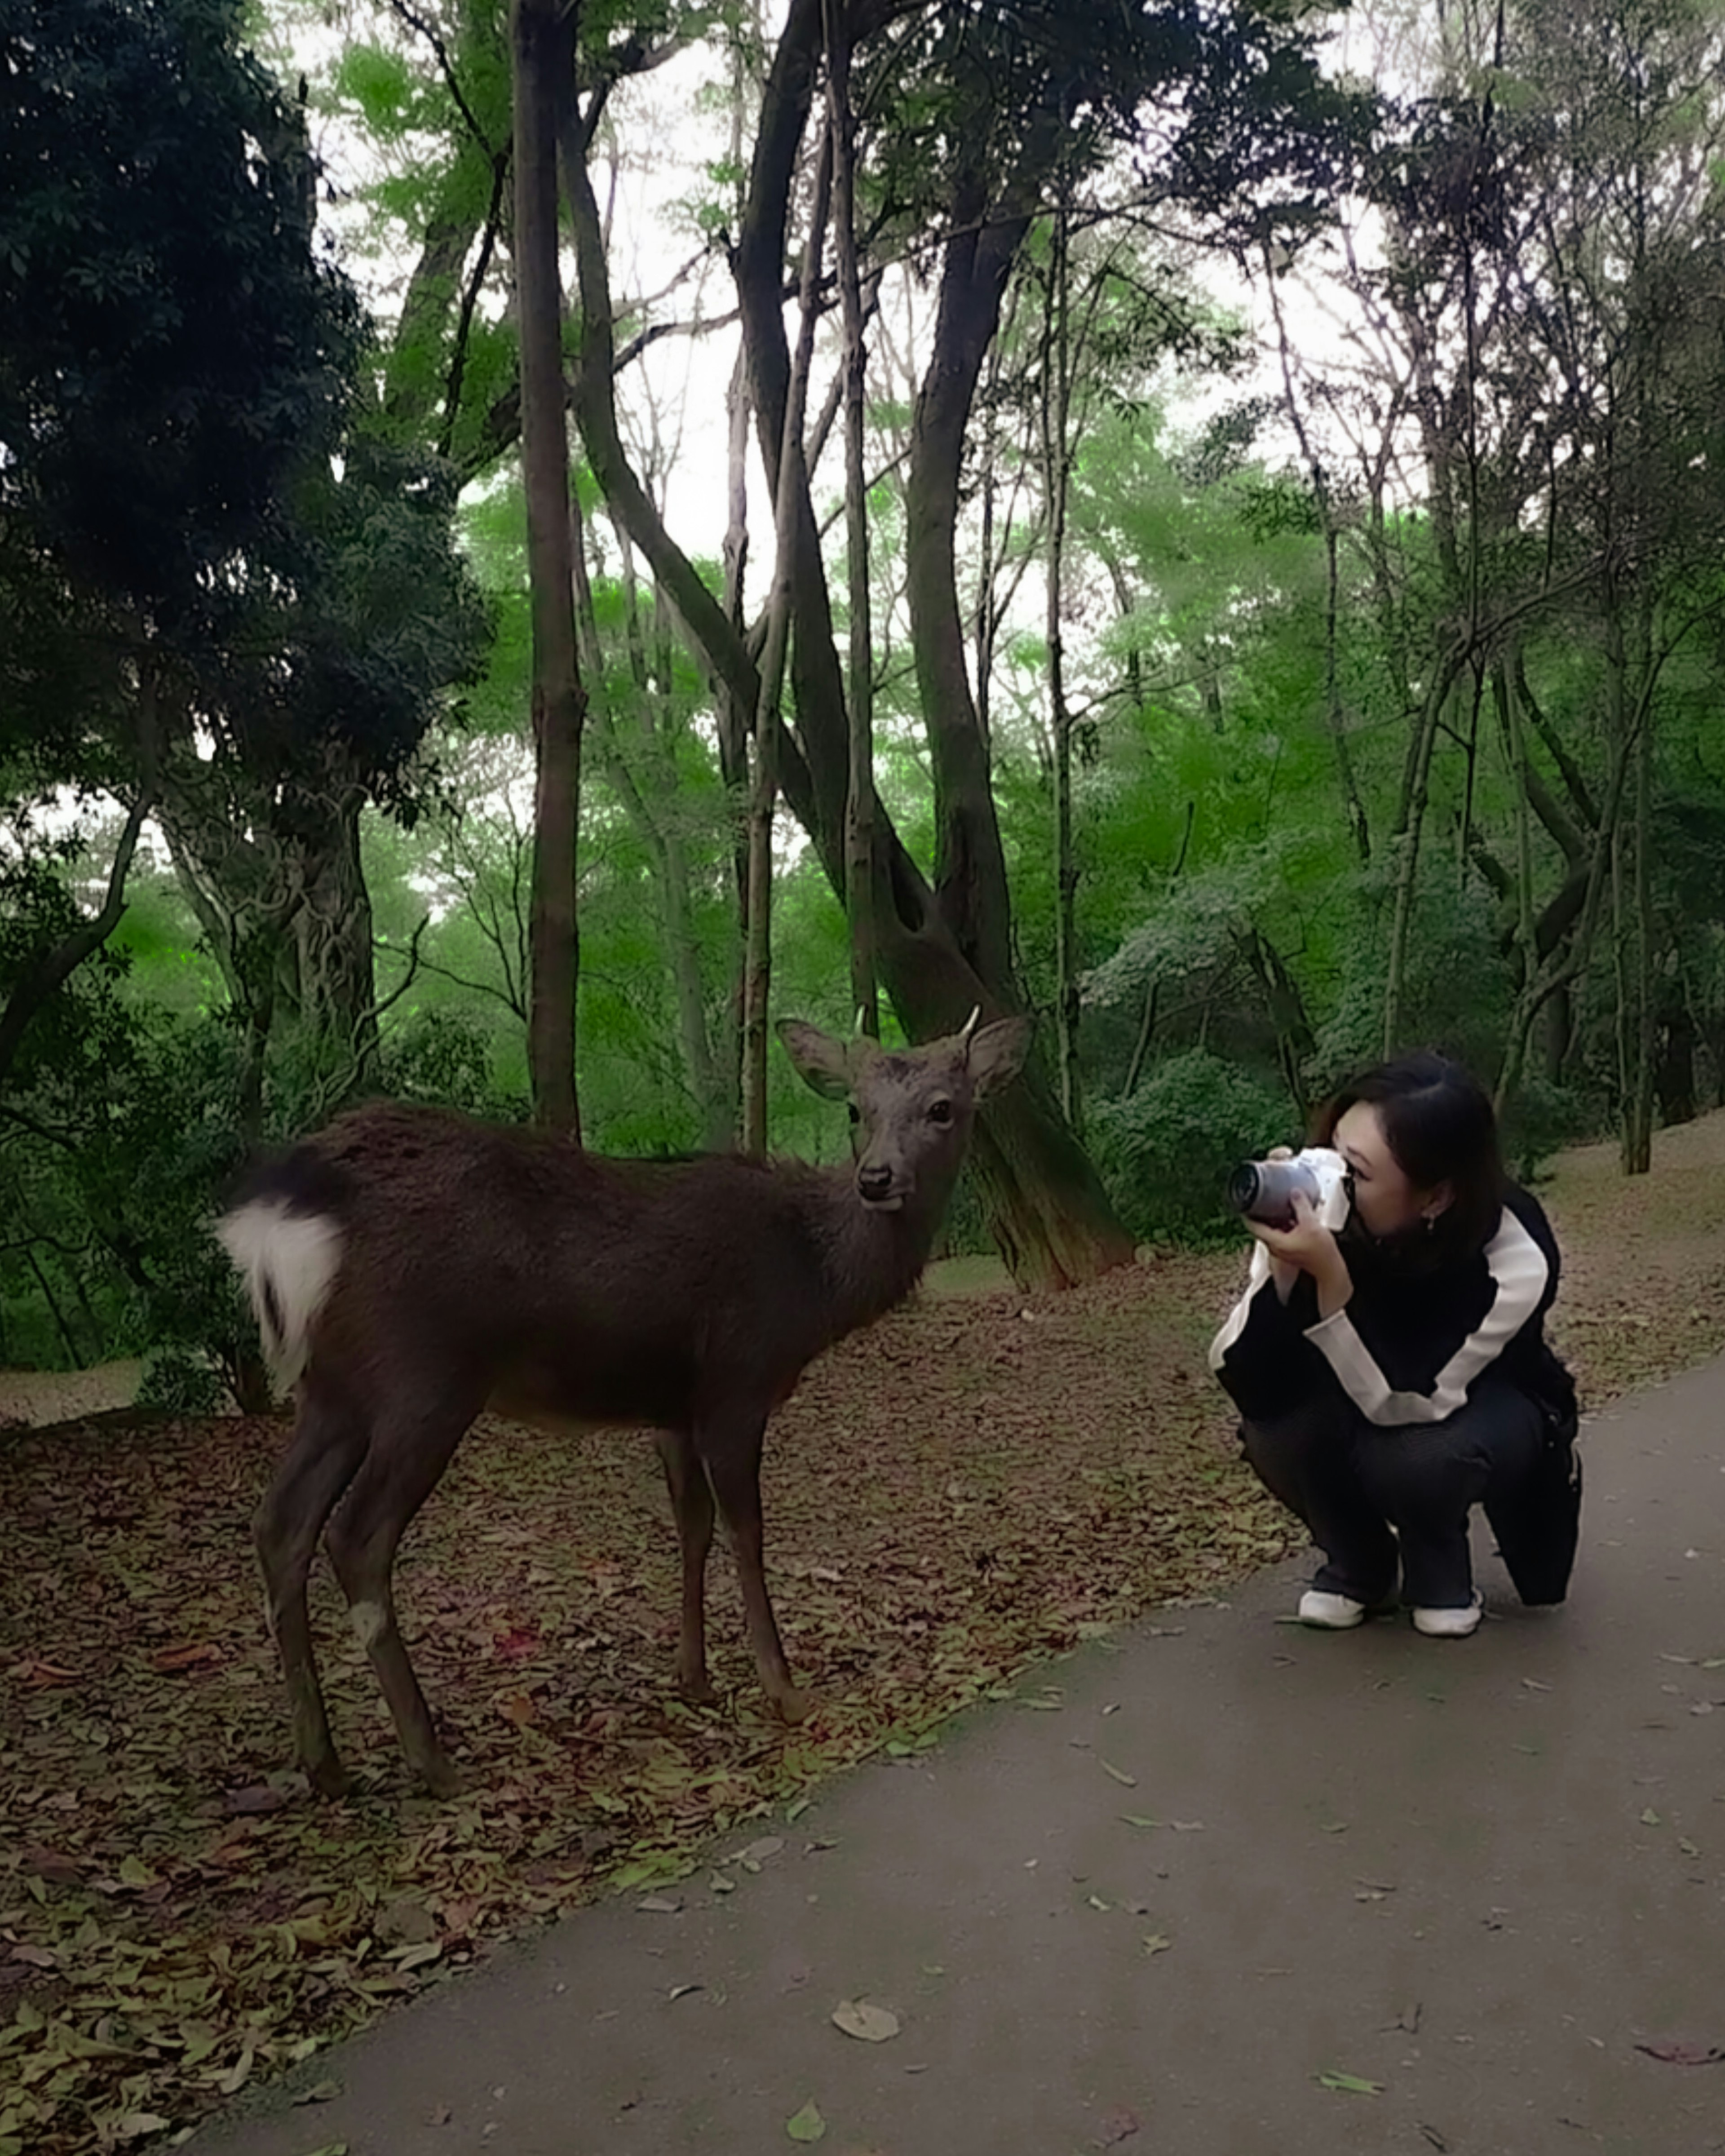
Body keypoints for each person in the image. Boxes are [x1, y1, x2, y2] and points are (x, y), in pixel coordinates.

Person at [1208, 1050, 1582, 1637]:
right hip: (1365, 1388)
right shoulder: (1318, 1216)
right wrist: (1284, 1268)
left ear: (1435, 1197)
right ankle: (1360, 1565)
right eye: (1330, 1150)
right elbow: (1248, 1378)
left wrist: (1331, 1279)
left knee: (1415, 1457)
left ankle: (1440, 1572)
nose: (1329, 1178)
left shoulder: (1513, 1251)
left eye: (1354, 1172)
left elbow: (1412, 1399)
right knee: (1276, 1431)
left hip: (1485, 1404)